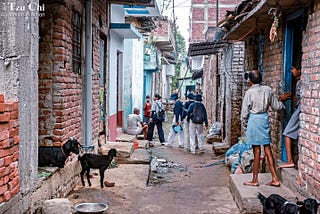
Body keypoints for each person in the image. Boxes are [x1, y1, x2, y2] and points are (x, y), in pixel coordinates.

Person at [241, 70, 285, 187]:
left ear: (250, 81)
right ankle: (275, 178)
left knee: (256, 152)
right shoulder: (268, 90)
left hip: (254, 121)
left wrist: (245, 127)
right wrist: (283, 103)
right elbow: (276, 106)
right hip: (264, 120)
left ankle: (255, 179)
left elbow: (244, 113)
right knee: (268, 149)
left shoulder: (249, 92)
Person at [278, 64, 302, 169]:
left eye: (293, 69)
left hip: (301, 109)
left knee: (287, 133)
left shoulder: (302, 81)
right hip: (299, 108)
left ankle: (289, 161)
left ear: (299, 70)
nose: (291, 72)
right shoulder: (299, 81)